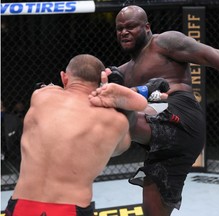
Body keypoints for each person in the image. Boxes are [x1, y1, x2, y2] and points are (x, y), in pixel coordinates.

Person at [98, 5, 219, 216]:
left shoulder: (163, 42)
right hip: (160, 145)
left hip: (181, 117)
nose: (124, 32)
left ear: (147, 27)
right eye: (119, 28)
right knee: (153, 211)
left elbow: (209, 54)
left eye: (130, 26)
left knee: (118, 113)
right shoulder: (125, 70)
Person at [4, 54, 148, 216]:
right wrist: (121, 105)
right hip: (71, 208)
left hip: (22, 206)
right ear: (101, 81)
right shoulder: (115, 121)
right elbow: (119, 148)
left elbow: (50, 91)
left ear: (64, 78)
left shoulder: (41, 97)